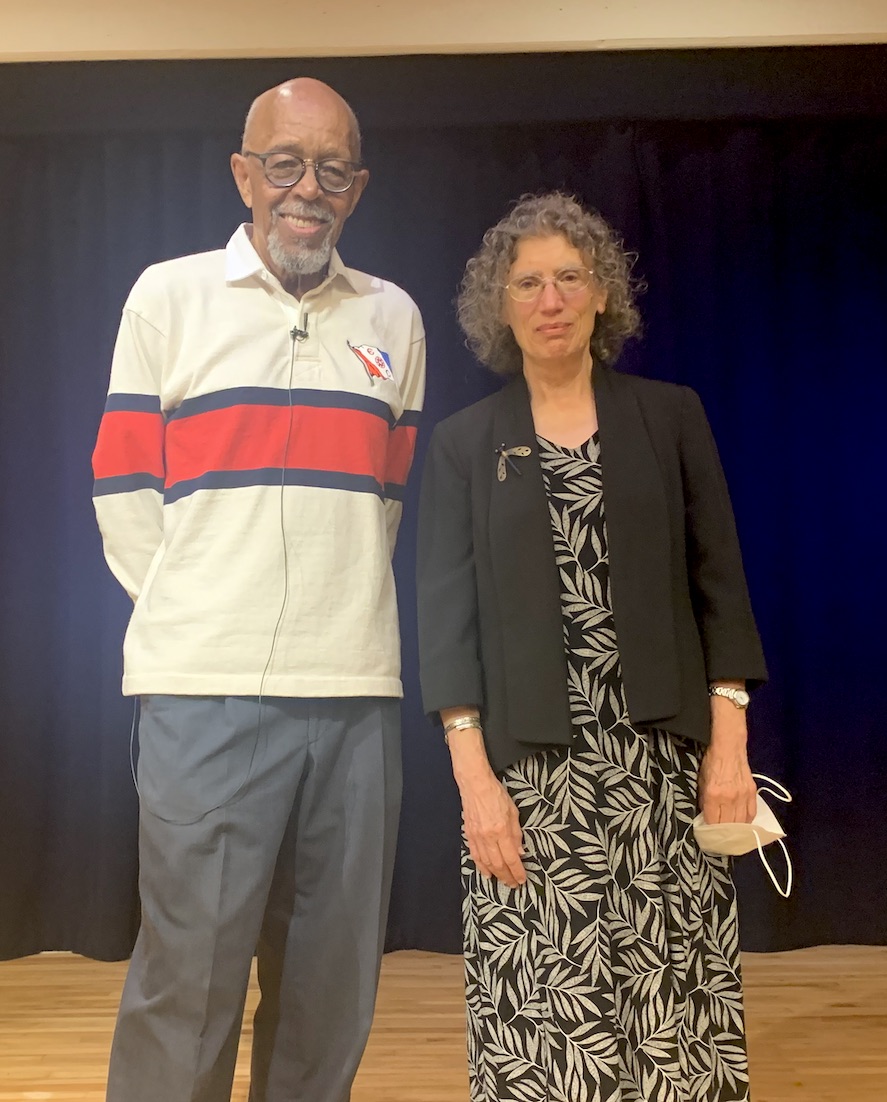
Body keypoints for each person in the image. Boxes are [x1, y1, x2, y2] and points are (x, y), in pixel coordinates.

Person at [91, 78, 425, 1102]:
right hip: (204, 694)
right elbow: (122, 489)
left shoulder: (394, 317)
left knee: (330, 998)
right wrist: (200, 610)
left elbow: (386, 499)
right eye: (285, 163)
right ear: (244, 173)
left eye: (331, 169)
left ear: (357, 187)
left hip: (357, 701)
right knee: (186, 986)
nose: (306, 189)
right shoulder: (168, 295)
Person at [417, 192, 767, 1102]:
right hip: (527, 784)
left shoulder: (669, 415)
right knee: (545, 1017)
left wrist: (729, 747)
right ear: (499, 306)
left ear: (603, 293)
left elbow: (720, 589)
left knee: (670, 1013)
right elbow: (445, 628)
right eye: (526, 282)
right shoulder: (463, 446)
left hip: (661, 768)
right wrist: (475, 787)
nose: (551, 299)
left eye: (571, 277)